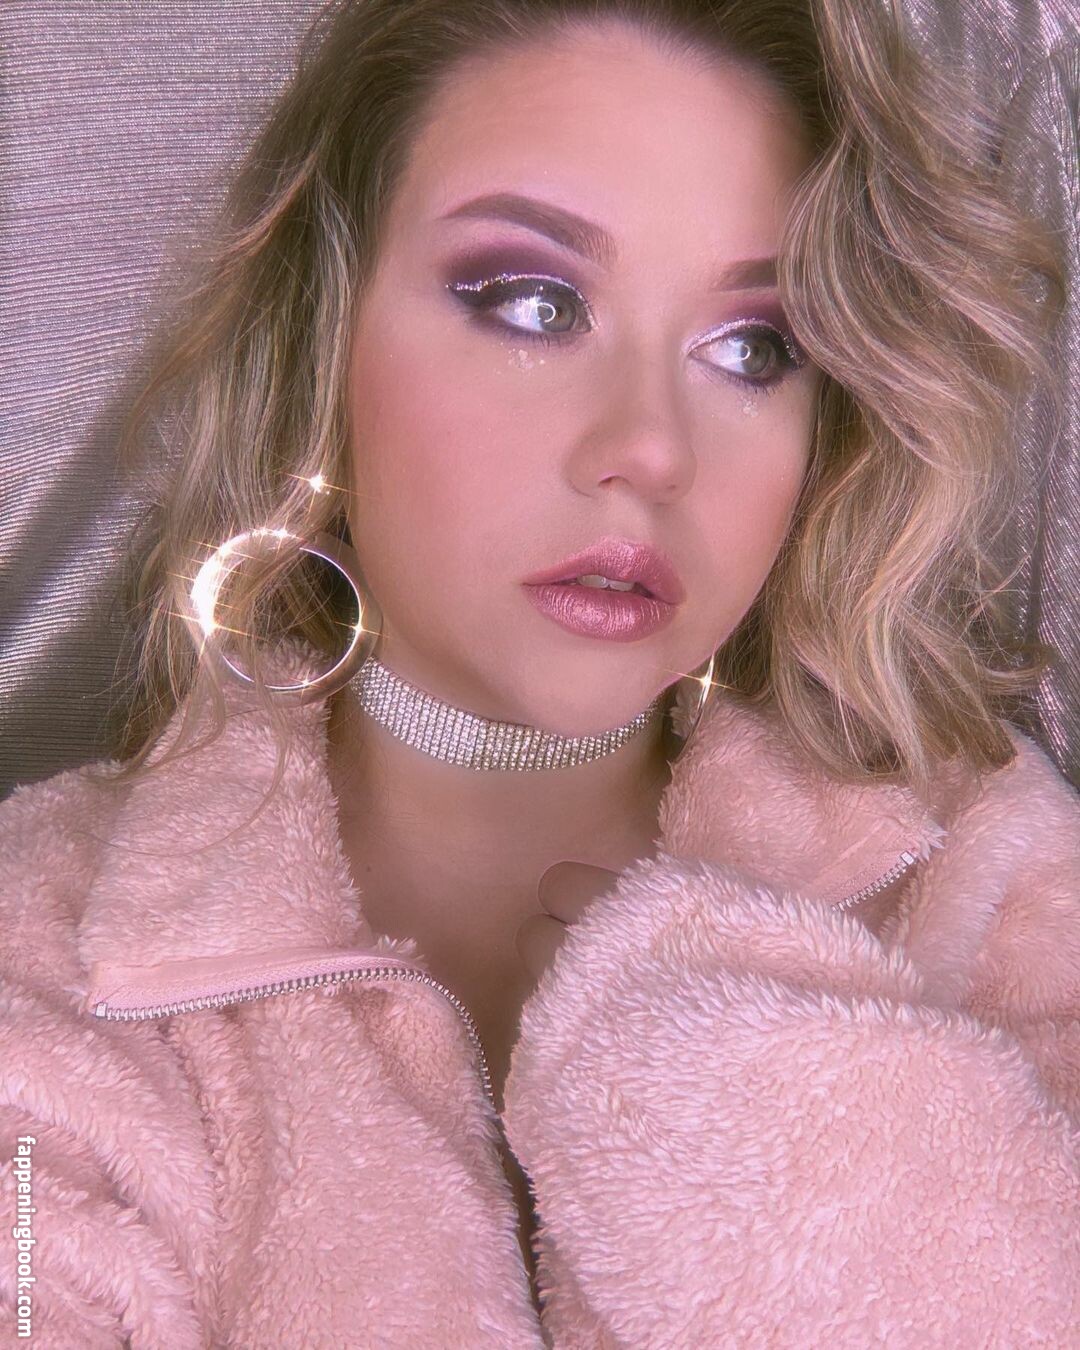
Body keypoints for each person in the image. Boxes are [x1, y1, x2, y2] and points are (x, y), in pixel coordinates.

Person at [1, 0, 1077, 1345]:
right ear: (327, 339)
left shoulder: (984, 873)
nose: (650, 449)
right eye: (532, 302)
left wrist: (773, 1109)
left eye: (755, 347)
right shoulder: (46, 954)